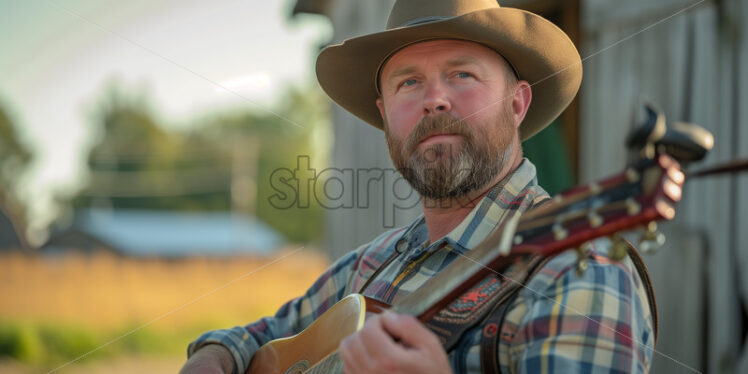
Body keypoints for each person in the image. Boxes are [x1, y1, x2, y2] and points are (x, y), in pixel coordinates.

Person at [181, 0, 657, 373]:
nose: (435, 100)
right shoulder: (370, 265)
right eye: (408, 83)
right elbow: (255, 338)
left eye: (462, 74)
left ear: (517, 104)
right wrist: (211, 358)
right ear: (386, 115)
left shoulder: (581, 269)